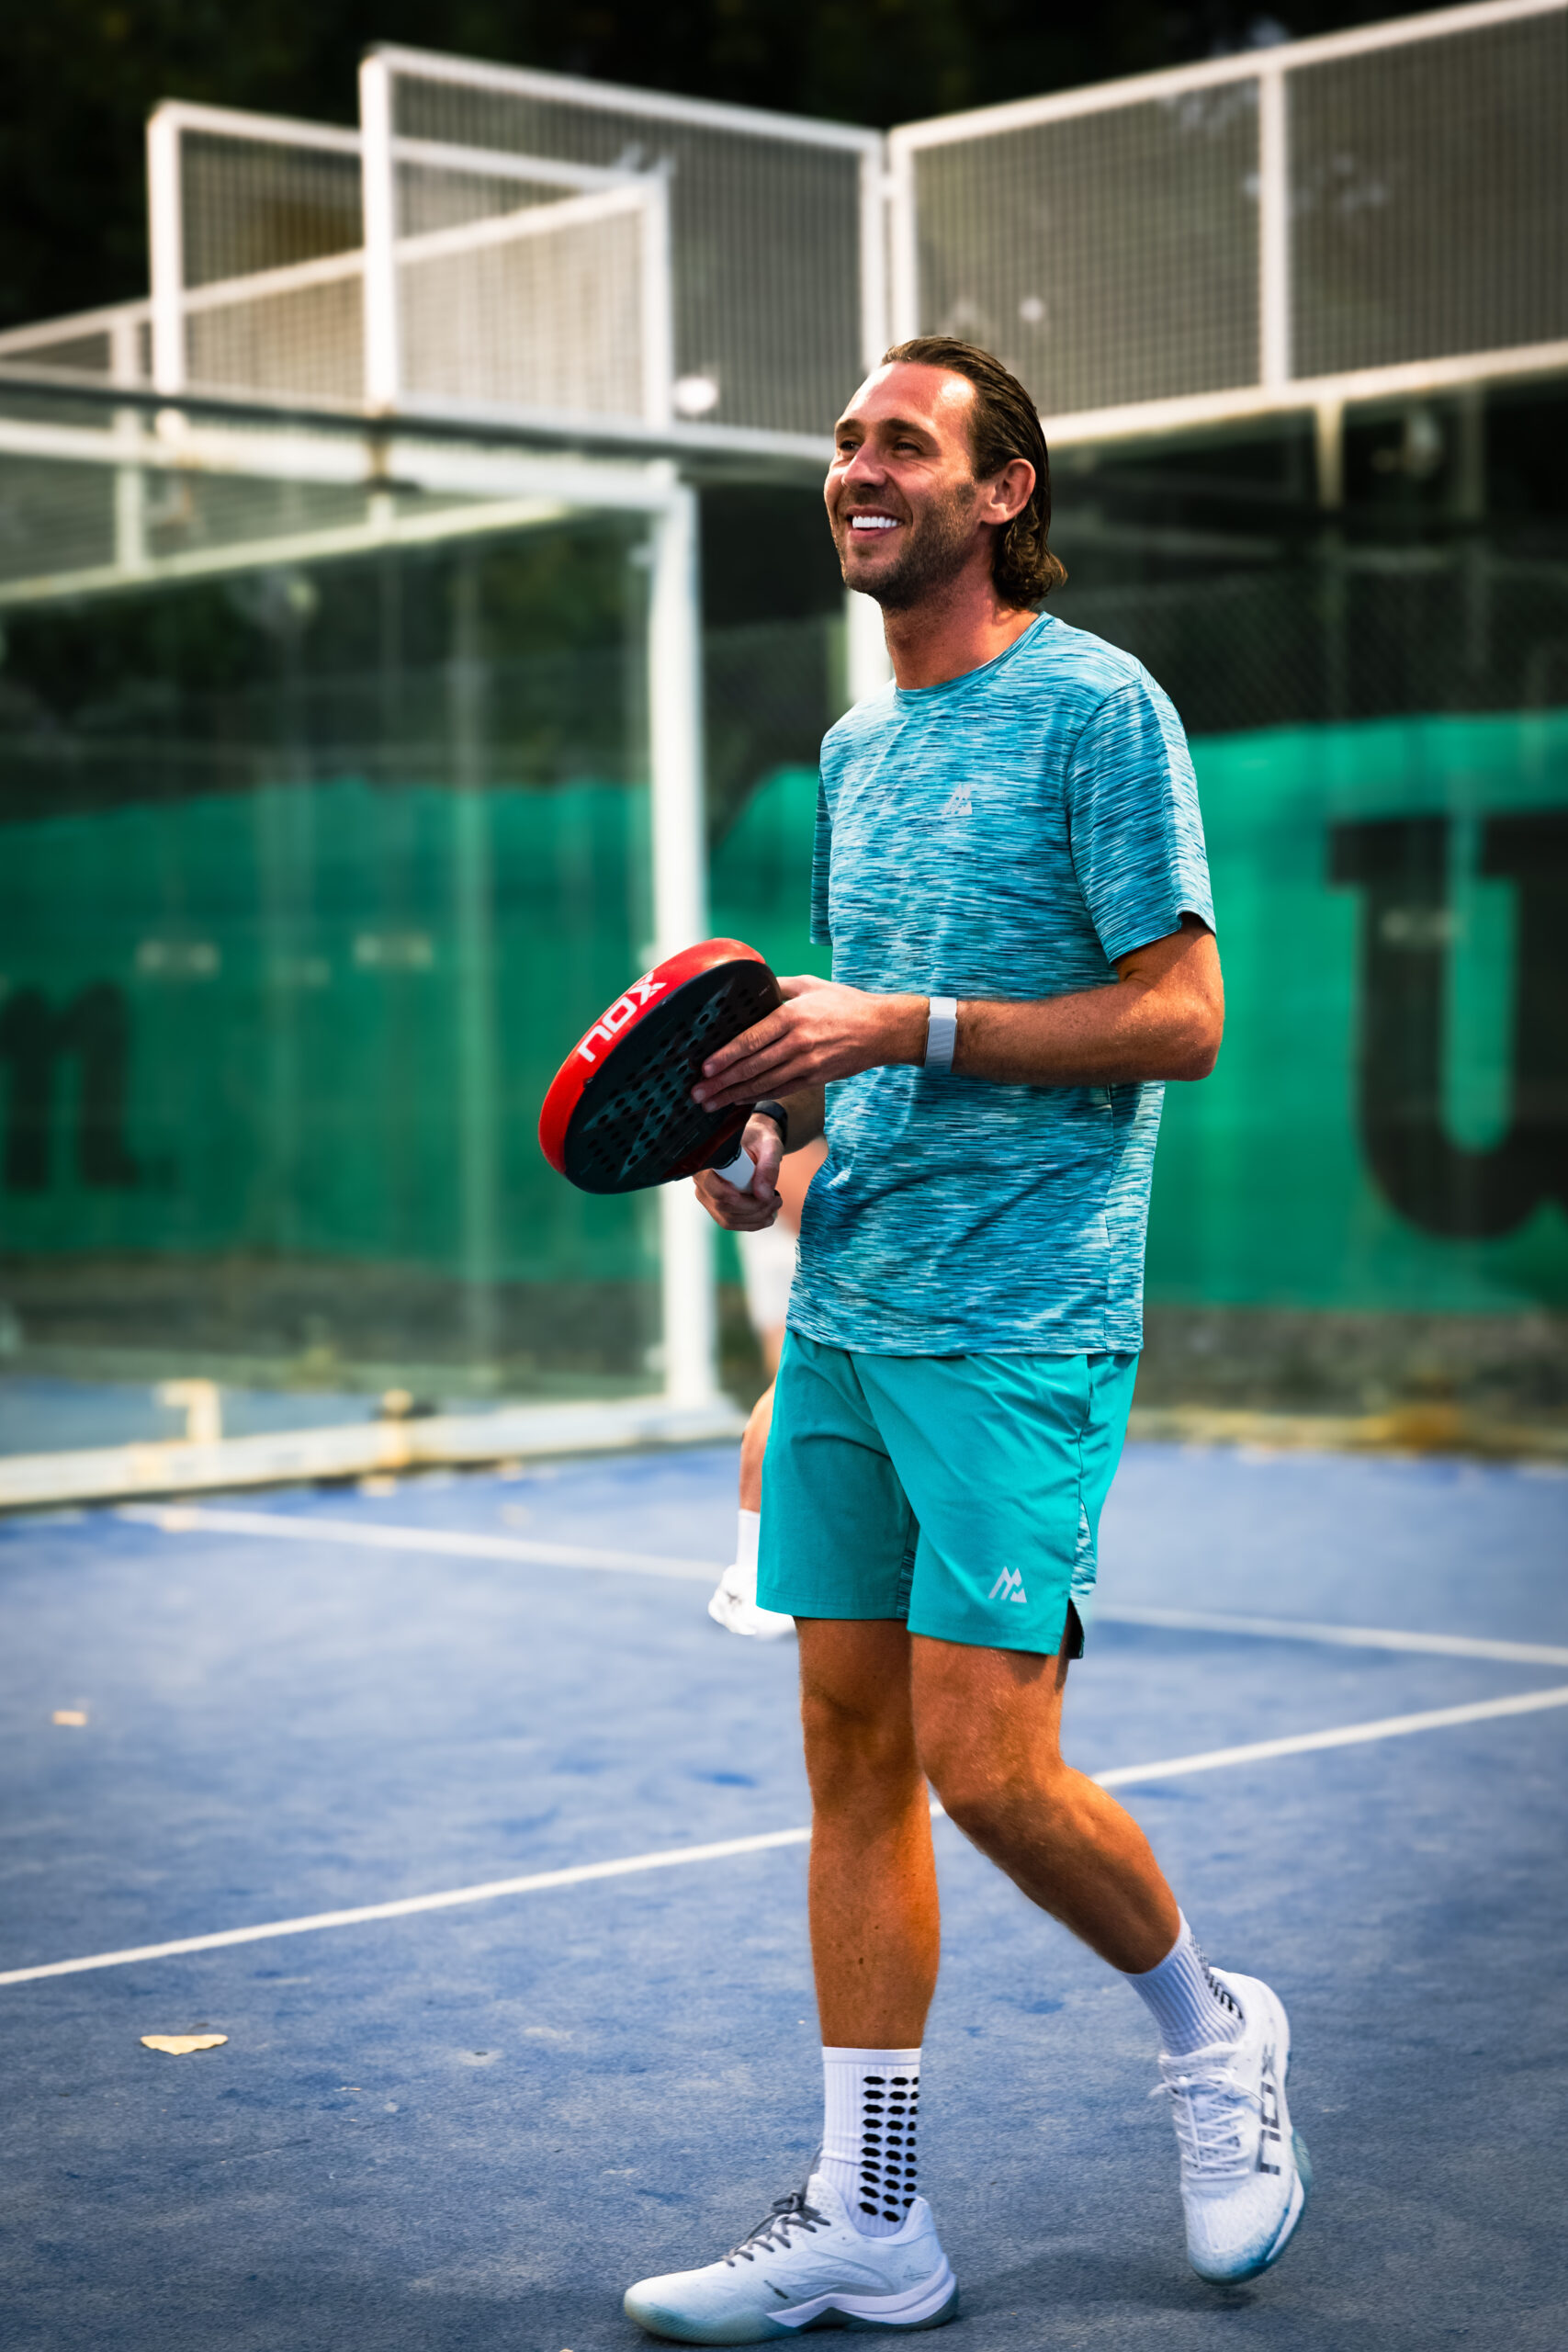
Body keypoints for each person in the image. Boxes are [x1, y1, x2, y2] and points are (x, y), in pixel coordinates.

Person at [623, 338, 1309, 2342]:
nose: (857, 464)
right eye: (843, 439)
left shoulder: (1097, 709)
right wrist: (765, 1144)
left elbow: (1175, 1017)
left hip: (1019, 1330)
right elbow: (863, 1056)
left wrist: (893, 1026)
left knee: (988, 1765)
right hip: (847, 1320)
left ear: (999, 493)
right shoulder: (856, 749)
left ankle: (1212, 2035)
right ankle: (871, 2215)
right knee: (849, 1757)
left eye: (900, 442)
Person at [708, 1134, 828, 1640]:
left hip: (803, 1222)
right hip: (811, 1232)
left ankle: (763, 1575)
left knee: (800, 1394)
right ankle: (757, 1576)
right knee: (796, 1391)